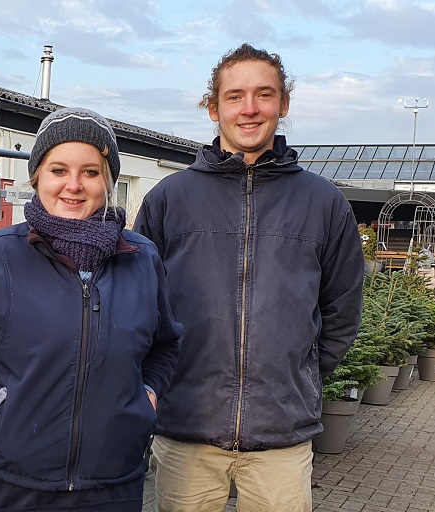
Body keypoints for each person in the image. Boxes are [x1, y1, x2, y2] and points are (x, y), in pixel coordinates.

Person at [133, 43, 364, 511]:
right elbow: (138, 307)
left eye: (264, 94)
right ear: (213, 107)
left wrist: (300, 373)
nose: (251, 108)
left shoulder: (323, 202)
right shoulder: (169, 198)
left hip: (281, 437)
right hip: (186, 432)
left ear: (284, 104)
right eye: (235, 96)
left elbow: (342, 307)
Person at [0, 107, 183, 512]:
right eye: (59, 169)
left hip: (114, 484)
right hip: (14, 485)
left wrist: (145, 396)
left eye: (91, 172)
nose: (74, 186)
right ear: (36, 176)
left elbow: (165, 346)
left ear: (108, 180)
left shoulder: (141, 258)